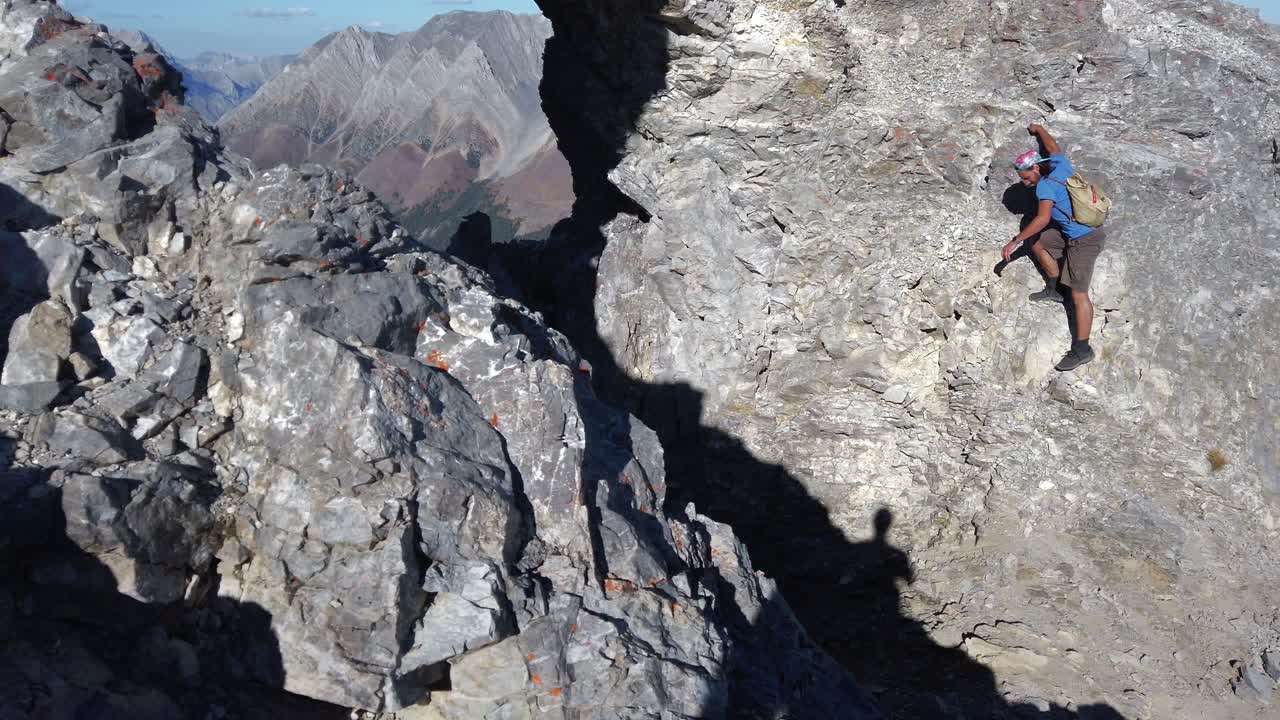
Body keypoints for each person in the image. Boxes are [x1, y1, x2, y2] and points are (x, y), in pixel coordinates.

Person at [1002, 124, 1107, 372]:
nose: (1025, 183)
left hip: (1085, 239)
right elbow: (1052, 146)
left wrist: (1015, 240)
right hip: (1071, 233)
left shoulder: (1044, 187)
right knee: (1039, 243)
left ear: (1036, 168)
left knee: (1079, 294)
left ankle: (1082, 349)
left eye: (1026, 177)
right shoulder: (1061, 166)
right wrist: (1039, 130)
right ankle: (1054, 289)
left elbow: (1042, 219)